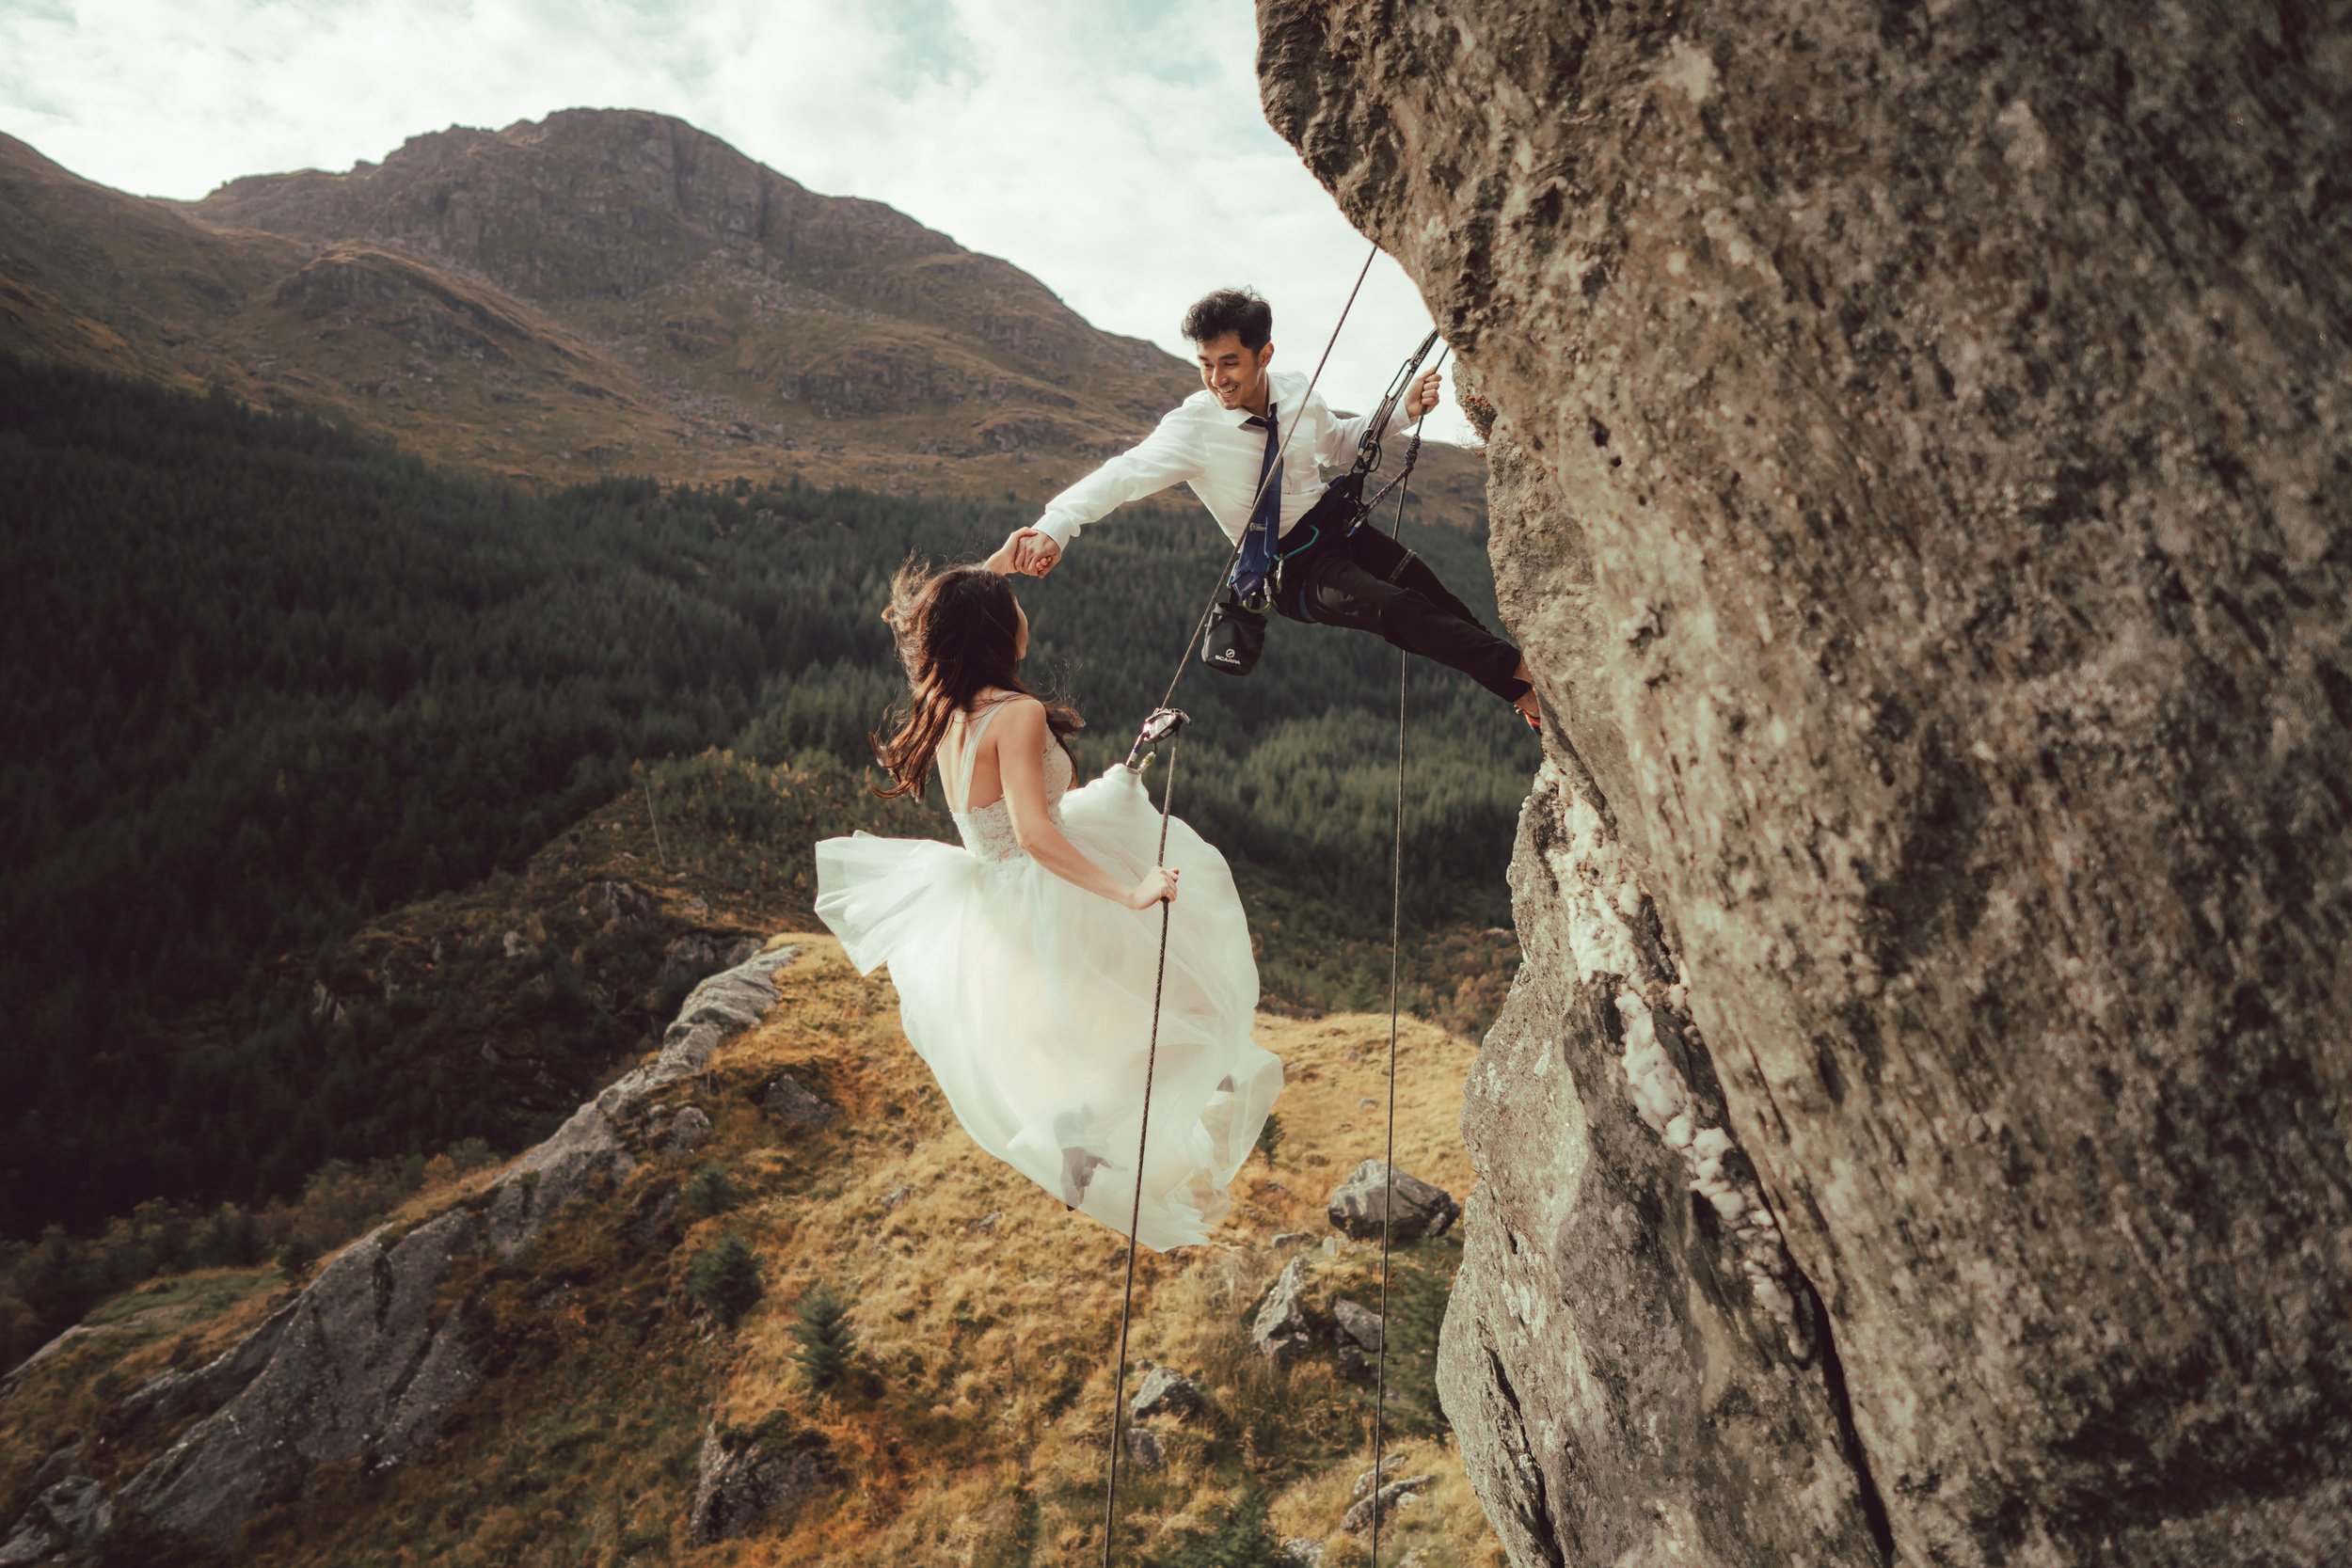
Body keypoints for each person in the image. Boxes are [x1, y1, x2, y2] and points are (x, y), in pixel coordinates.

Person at [811, 553, 1280, 1252]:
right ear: (999, 628)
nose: (1026, 612)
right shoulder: (1019, 712)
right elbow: (1035, 833)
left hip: (999, 900)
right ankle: (1083, 1129)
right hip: (1050, 892)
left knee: (1133, 1026)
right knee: (1191, 1009)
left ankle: (1082, 1126)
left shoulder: (950, 712)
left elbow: (1016, 817)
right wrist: (1129, 891)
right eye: (1013, 604)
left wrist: (1130, 766)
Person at [1003, 286, 1542, 729]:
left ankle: (1522, 695)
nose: (1217, 380)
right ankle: (1526, 679)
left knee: (1435, 595)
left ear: (1265, 354)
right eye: (1206, 365)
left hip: (1338, 529)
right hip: (1291, 569)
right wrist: (1058, 525)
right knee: (1397, 609)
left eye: (1229, 363)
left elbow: (1339, 445)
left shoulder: (1296, 390)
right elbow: (1122, 474)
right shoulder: (1193, 428)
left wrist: (1403, 410)